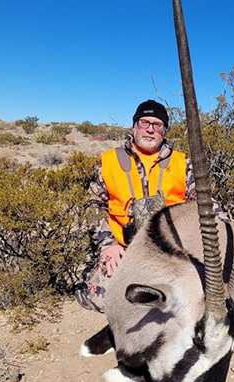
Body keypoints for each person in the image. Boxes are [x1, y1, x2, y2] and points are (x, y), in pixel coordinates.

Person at [75, 99, 195, 313]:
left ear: (165, 130)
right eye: (144, 122)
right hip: (122, 250)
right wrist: (107, 244)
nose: (150, 129)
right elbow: (91, 207)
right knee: (101, 301)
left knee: (185, 304)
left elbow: (206, 205)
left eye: (157, 125)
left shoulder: (183, 163)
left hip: (172, 251)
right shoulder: (108, 160)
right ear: (134, 126)